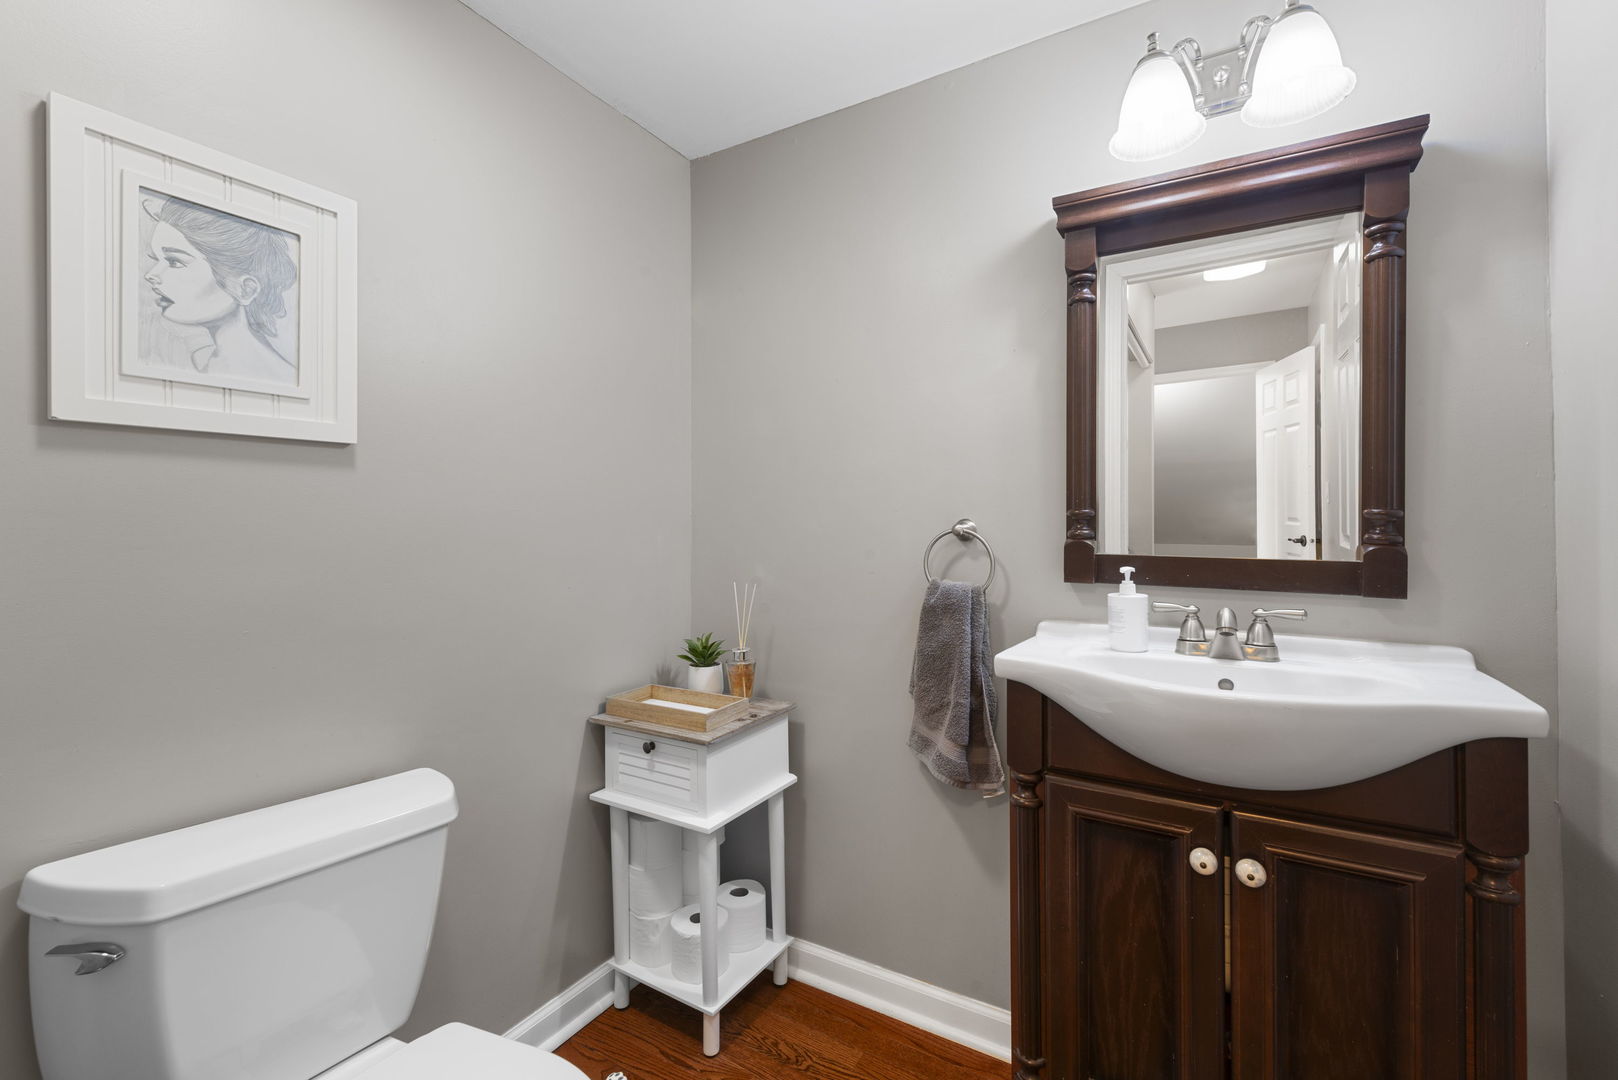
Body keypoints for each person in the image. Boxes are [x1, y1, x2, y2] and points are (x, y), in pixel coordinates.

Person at [142, 193, 298, 385]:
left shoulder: (275, 376)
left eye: (174, 262)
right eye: (157, 260)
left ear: (246, 290)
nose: (151, 275)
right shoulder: (205, 365)